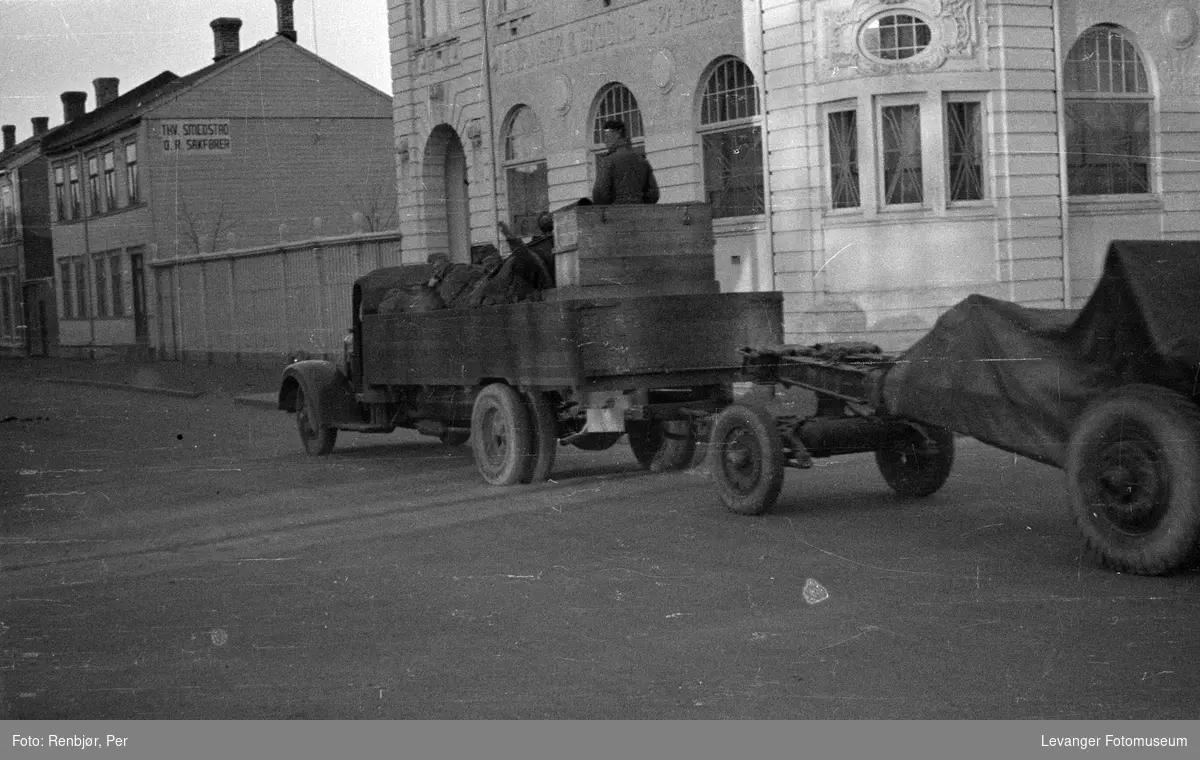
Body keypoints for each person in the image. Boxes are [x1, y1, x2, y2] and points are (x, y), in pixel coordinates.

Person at [591, 120, 660, 205]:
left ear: (617, 135)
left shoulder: (608, 161)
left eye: (607, 136)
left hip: (615, 214)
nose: (605, 141)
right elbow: (653, 194)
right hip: (640, 213)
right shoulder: (642, 161)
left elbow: (600, 194)